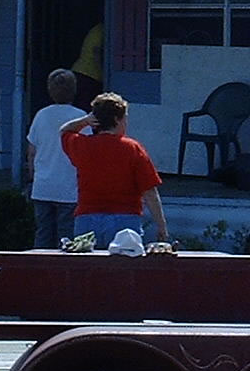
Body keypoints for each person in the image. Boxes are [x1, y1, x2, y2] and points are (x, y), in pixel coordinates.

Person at [59, 92, 170, 246]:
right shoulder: (132, 148)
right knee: (125, 261)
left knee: (87, 261)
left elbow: (64, 131)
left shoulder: (82, 145)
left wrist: (85, 121)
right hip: (125, 219)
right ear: (117, 119)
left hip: (87, 218)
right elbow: (149, 191)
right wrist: (161, 225)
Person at [25, 69, 86, 249]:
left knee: (43, 234)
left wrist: (33, 176)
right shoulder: (80, 117)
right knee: (66, 237)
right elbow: (86, 152)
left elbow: (32, 151)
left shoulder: (41, 115)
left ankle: (39, 265)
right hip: (69, 186)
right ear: (74, 90)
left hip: (43, 186)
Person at [70, 22, 105, 109]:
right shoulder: (101, 31)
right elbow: (96, 53)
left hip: (78, 71)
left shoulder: (95, 29)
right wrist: (103, 75)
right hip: (90, 75)